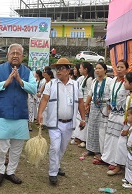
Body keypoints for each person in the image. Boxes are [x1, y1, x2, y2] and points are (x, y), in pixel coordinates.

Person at [0, 43, 36, 186]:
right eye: (12, 53)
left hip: (20, 114)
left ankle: (11, 171)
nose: (15, 55)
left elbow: (34, 89)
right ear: (7, 55)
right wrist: (6, 82)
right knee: (0, 146)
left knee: (17, 146)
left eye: (18, 53)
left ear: (22, 56)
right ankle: (0, 171)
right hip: (2, 112)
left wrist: (21, 81)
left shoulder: (27, 71)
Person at [37, 57, 86, 185]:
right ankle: (52, 173)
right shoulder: (50, 84)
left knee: (62, 148)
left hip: (69, 123)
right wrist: (40, 113)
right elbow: (44, 100)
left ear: (68, 70)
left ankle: (57, 166)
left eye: (61, 68)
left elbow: (81, 102)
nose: (58, 71)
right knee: (54, 147)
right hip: (55, 123)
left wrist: (83, 118)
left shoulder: (76, 85)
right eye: (57, 69)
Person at [107, 72, 132, 175]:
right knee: (121, 145)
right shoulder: (130, 95)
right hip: (127, 124)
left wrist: (129, 129)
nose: (124, 84)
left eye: (126, 82)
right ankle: (119, 165)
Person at [100, 60, 129, 170]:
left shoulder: (127, 81)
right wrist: (108, 106)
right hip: (112, 112)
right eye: (117, 67)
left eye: (122, 67)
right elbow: (109, 95)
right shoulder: (113, 81)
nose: (119, 69)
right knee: (110, 136)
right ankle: (107, 157)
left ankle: (117, 161)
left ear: (126, 69)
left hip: (122, 114)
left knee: (118, 138)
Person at [83, 62, 112, 160]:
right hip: (94, 106)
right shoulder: (94, 81)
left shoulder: (109, 81)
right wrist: (86, 104)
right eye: (96, 68)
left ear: (105, 70)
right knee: (92, 127)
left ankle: (100, 151)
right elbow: (90, 94)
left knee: (102, 130)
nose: (97, 70)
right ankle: (91, 149)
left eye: (100, 68)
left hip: (104, 106)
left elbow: (111, 95)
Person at [73, 62, 95, 148]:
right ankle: (78, 137)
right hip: (82, 102)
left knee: (85, 121)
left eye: (80, 68)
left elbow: (90, 93)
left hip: (86, 102)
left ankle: (83, 140)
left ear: (85, 69)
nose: (79, 69)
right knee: (80, 120)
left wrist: (87, 104)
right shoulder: (82, 78)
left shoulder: (90, 80)